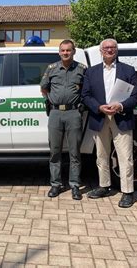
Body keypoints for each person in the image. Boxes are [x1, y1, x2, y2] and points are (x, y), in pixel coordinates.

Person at [82, 38, 137, 208]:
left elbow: (136, 97)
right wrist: (99, 107)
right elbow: (85, 96)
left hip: (121, 117)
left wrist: (121, 105)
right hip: (100, 117)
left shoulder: (127, 70)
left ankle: (127, 192)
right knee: (101, 156)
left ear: (117, 50)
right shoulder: (91, 72)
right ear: (101, 51)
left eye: (113, 47)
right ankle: (104, 186)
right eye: (106, 48)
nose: (109, 50)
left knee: (125, 157)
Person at [40, 39, 86, 200]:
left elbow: (86, 90)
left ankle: (74, 185)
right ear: (59, 52)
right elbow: (43, 87)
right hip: (55, 114)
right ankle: (56, 184)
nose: (65, 53)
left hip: (74, 113)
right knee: (55, 152)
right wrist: (51, 100)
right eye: (63, 50)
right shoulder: (52, 69)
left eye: (68, 50)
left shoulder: (81, 69)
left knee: (75, 152)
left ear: (73, 52)